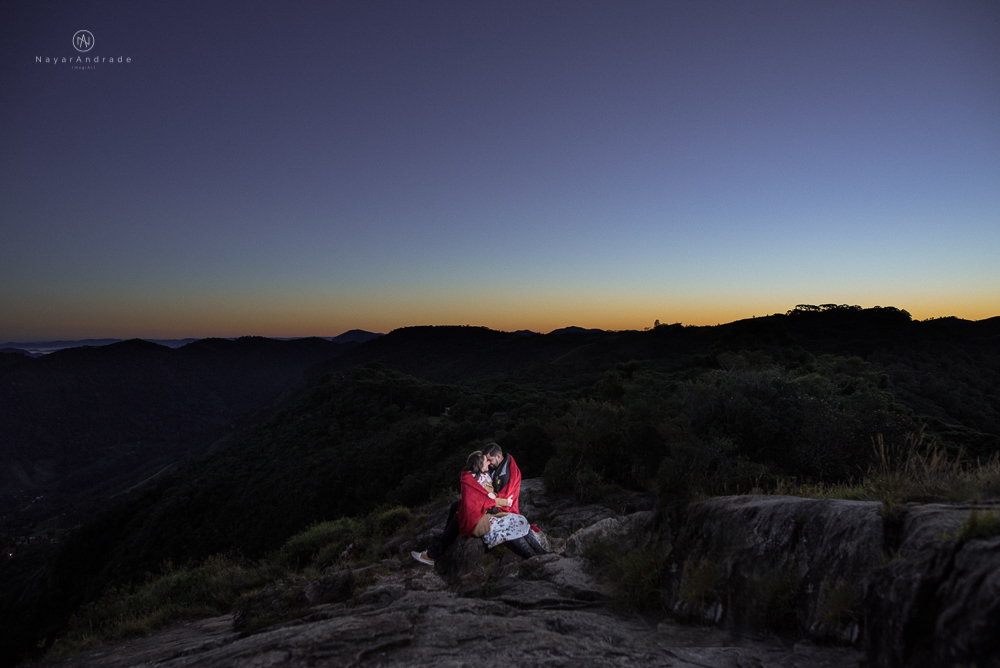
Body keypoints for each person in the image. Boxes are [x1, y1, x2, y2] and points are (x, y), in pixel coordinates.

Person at [413, 450, 544, 565]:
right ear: (479, 465)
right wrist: (503, 502)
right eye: (486, 461)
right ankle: (533, 558)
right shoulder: (471, 481)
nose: (489, 463)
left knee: (517, 520)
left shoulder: (481, 476)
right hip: (477, 520)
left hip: (481, 515)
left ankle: (541, 554)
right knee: (511, 525)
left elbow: (485, 498)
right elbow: (482, 500)